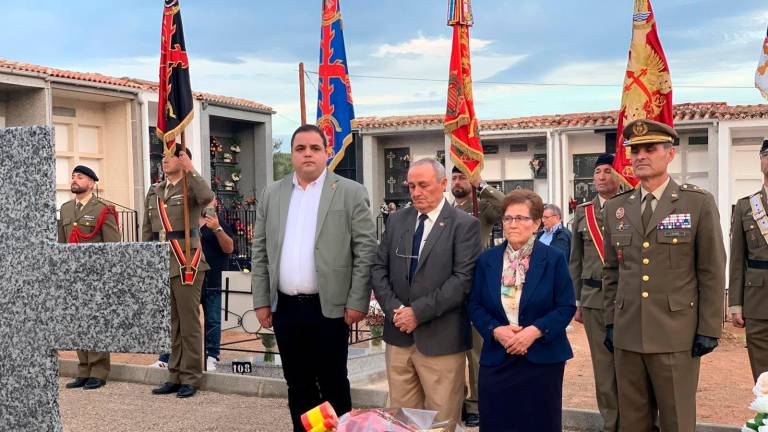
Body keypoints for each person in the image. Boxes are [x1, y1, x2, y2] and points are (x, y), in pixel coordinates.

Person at [251, 124, 378, 431]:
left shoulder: (350, 192)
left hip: (330, 308)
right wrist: (261, 301)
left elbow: (365, 250)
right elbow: (260, 250)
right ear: (292, 154)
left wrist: (357, 300)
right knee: (298, 385)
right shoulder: (273, 193)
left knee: (333, 383)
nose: (307, 154)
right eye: (300, 148)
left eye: (314, 148)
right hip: (287, 309)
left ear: (326, 153)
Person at [603, 119, 725, 431]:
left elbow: (711, 269)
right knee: (633, 422)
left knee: (677, 421)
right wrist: (610, 322)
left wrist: (709, 328)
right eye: (635, 150)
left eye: (650, 148)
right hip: (628, 333)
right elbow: (612, 271)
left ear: (669, 154)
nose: (640, 155)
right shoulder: (617, 208)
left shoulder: (696, 202)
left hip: (675, 333)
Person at [371, 158, 481, 430]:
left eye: (423, 185)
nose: (416, 192)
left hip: (441, 341)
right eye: (411, 186)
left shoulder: (464, 224)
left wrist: (417, 313)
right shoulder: (397, 220)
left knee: (440, 421)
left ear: (443, 184)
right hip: (398, 338)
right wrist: (396, 310)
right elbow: (378, 267)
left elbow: (462, 280)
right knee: (402, 421)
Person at [467, 189, 575, 432]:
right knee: (497, 422)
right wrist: (496, 330)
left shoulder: (553, 258)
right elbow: (474, 305)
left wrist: (534, 331)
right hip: (498, 357)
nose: (512, 224)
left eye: (521, 218)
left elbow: (566, 305)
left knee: (539, 424)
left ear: (536, 223)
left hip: (541, 359)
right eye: (507, 218)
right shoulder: (488, 260)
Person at [144, 145, 215, 399]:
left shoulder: (191, 186)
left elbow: (207, 197)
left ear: (183, 159)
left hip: (187, 260)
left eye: (170, 156)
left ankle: (192, 376)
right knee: (172, 324)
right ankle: (174, 374)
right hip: (163, 260)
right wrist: (147, 263)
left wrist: (191, 170)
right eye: (163, 156)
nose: (164, 159)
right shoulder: (155, 191)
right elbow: (148, 231)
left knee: (189, 322)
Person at [569, 153, 621, 431]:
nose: (601, 176)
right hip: (593, 299)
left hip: (627, 300)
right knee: (604, 370)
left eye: (607, 171)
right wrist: (576, 301)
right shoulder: (583, 212)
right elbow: (575, 260)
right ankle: (611, 424)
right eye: (597, 171)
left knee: (630, 367)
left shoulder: (631, 205)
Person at [450, 166, 504, 427]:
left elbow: (505, 207)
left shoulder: (481, 207)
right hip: (448, 290)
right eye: (455, 177)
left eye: (463, 177)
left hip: (475, 287)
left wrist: (481, 183)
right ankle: (455, 401)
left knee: (476, 352)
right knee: (450, 352)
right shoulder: (445, 209)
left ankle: (476, 404)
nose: (458, 181)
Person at [58, 165, 121, 390]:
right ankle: (83, 369)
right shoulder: (66, 209)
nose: (75, 180)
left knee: (96, 323)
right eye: (73, 176)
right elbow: (61, 244)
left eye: (80, 177)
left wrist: (109, 277)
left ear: (92, 183)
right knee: (78, 323)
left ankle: (99, 371)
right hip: (72, 276)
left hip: (96, 277)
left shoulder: (103, 209)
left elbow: (113, 246)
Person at [730, 138, 768, 382]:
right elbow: (737, 258)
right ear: (761, 161)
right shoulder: (746, 206)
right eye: (767, 154)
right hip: (757, 301)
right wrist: (736, 304)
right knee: (763, 375)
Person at [199, 199, 234, 371]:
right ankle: (169, 356)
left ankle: (212, 355)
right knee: (182, 320)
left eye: (209, 201)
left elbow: (229, 248)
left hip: (214, 280)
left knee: (213, 320)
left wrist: (217, 229)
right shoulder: (190, 223)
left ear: (216, 203)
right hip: (191, 279)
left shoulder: (221, 224)